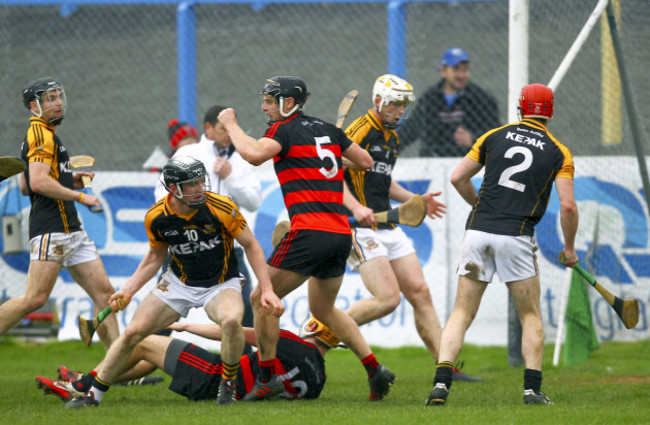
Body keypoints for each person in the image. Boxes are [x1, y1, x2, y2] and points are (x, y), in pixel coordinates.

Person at [218, 76, 396, 402]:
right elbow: (366, 161)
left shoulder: (282, 130)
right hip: (341, 234)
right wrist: (329, 159)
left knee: (260, 299)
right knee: (323, 309)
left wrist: (230, 124)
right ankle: (374, 369)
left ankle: (268, 377)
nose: (264, 107)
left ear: (289, 103)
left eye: (271, 101)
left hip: (309, 232)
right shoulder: (329, 130)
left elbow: (254, 154)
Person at [65, 156, 283, 408]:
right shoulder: (157, 217)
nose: (200, 188)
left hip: (221, 283)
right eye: (191, 184)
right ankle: (93, 395)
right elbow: (155, 257)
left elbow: (251, 245)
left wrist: (266, 288)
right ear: (173, 188)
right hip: (178, 284)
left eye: (201, 181)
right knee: (132, 334)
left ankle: (228, 385)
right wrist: (128, 290)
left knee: (232, 321)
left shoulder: (221, 207)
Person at [302, 74, 480, 383]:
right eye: (395, 104)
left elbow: (383, 180)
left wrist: (413, 198)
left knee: (420, 293)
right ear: (378, 101)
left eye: (404, 105)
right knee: (388, 299)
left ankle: (445, 367)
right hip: (358, 226)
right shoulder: (360, 131)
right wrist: (356, 207)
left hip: (386, 222)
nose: (400, 111)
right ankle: (317, 331)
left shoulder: (392, 136)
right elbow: (332, 175)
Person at [426, 84, 578, 406]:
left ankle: (440, 385)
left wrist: (478, 205)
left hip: (478, 231)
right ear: (550, 111)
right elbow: (567, 207)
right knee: (530, 315)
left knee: (461, 313)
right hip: (517, 235)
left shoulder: (493, 135)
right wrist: (570, 248)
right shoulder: (558, 150)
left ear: (521, 107)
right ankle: (532, 390)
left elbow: (457, 177)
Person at [0, 77, 119, 349]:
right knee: (35, 298)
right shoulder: (40, 134)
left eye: (58, 97)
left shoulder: (45, 135)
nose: (57, 103)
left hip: (72, 231)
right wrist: (80, 195)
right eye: (49, 99)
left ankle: (118, 368)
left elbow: (25, 185)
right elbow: (39, 183)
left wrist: (70, 180)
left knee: (105, 295)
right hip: (51, 230)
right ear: (34, 107)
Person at [154, 106, 263, 353]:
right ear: (208, 128)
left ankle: (245, 369)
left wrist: (230, 176)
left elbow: (254, 201)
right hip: (186, 249)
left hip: (228, 251)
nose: (228, 134)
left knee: (244, 310)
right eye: (223, 128)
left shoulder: (241, 158)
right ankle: (140, 364)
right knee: (160, 316)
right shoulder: (188, 152)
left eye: (232, 128)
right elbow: (161, 192)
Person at [35, 322, 329, 403]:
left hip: (217, 378)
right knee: (151, 357)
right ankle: (87, 375)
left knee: (144, 342)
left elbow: (235, 331)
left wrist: (187, 326)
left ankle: (80, 386)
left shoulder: (292, 341)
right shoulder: (320, 380)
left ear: (313, 329)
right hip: (233, 383)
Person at [398, 47, 500, 157]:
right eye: (456, 69)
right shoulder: (430, 99)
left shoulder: (481, 99)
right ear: (443, 72)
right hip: (433, 162)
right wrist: (389, 147)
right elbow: (410, 129)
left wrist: (474, 139)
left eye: (464, 70)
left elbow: (496, 134)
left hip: (469, 162)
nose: (461, 75)